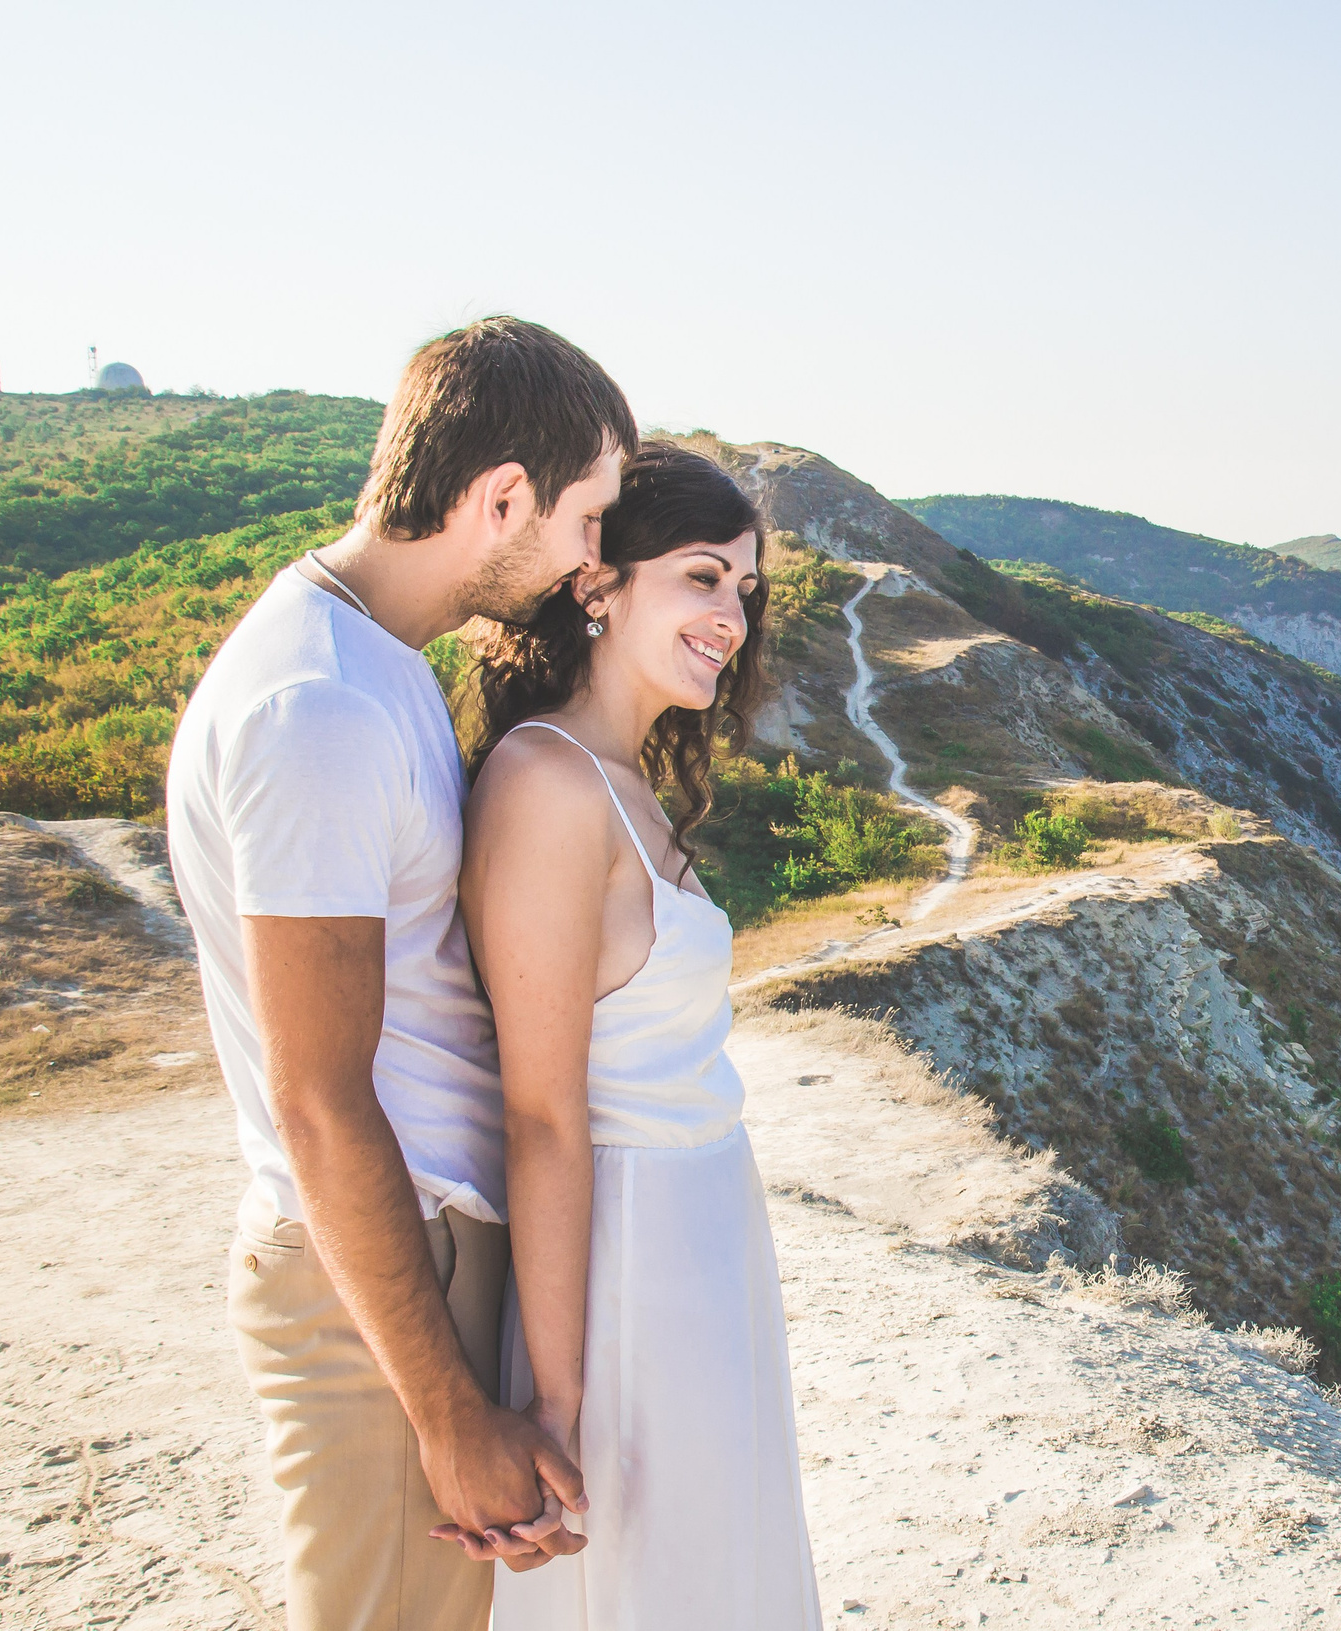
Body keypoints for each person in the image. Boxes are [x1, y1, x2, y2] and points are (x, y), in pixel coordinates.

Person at [166, 316, 637, 1629]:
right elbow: (319, 1099)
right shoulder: (316, 710)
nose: (592, 558)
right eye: (588, 518)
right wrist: (446, 1410)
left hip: (418, 1254)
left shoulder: (374, 664)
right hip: (380, 1283)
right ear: (502, 497)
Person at [447, 442, 822, 1624]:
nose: (731, 617)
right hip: (630, 1261)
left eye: (745, 590)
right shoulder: (547, 782)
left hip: (704, 1237)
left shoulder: (624, 779)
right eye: (702, 576)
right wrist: (557, 1401)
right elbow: (543, 1112)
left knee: (716, 1571)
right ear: (598, 582)